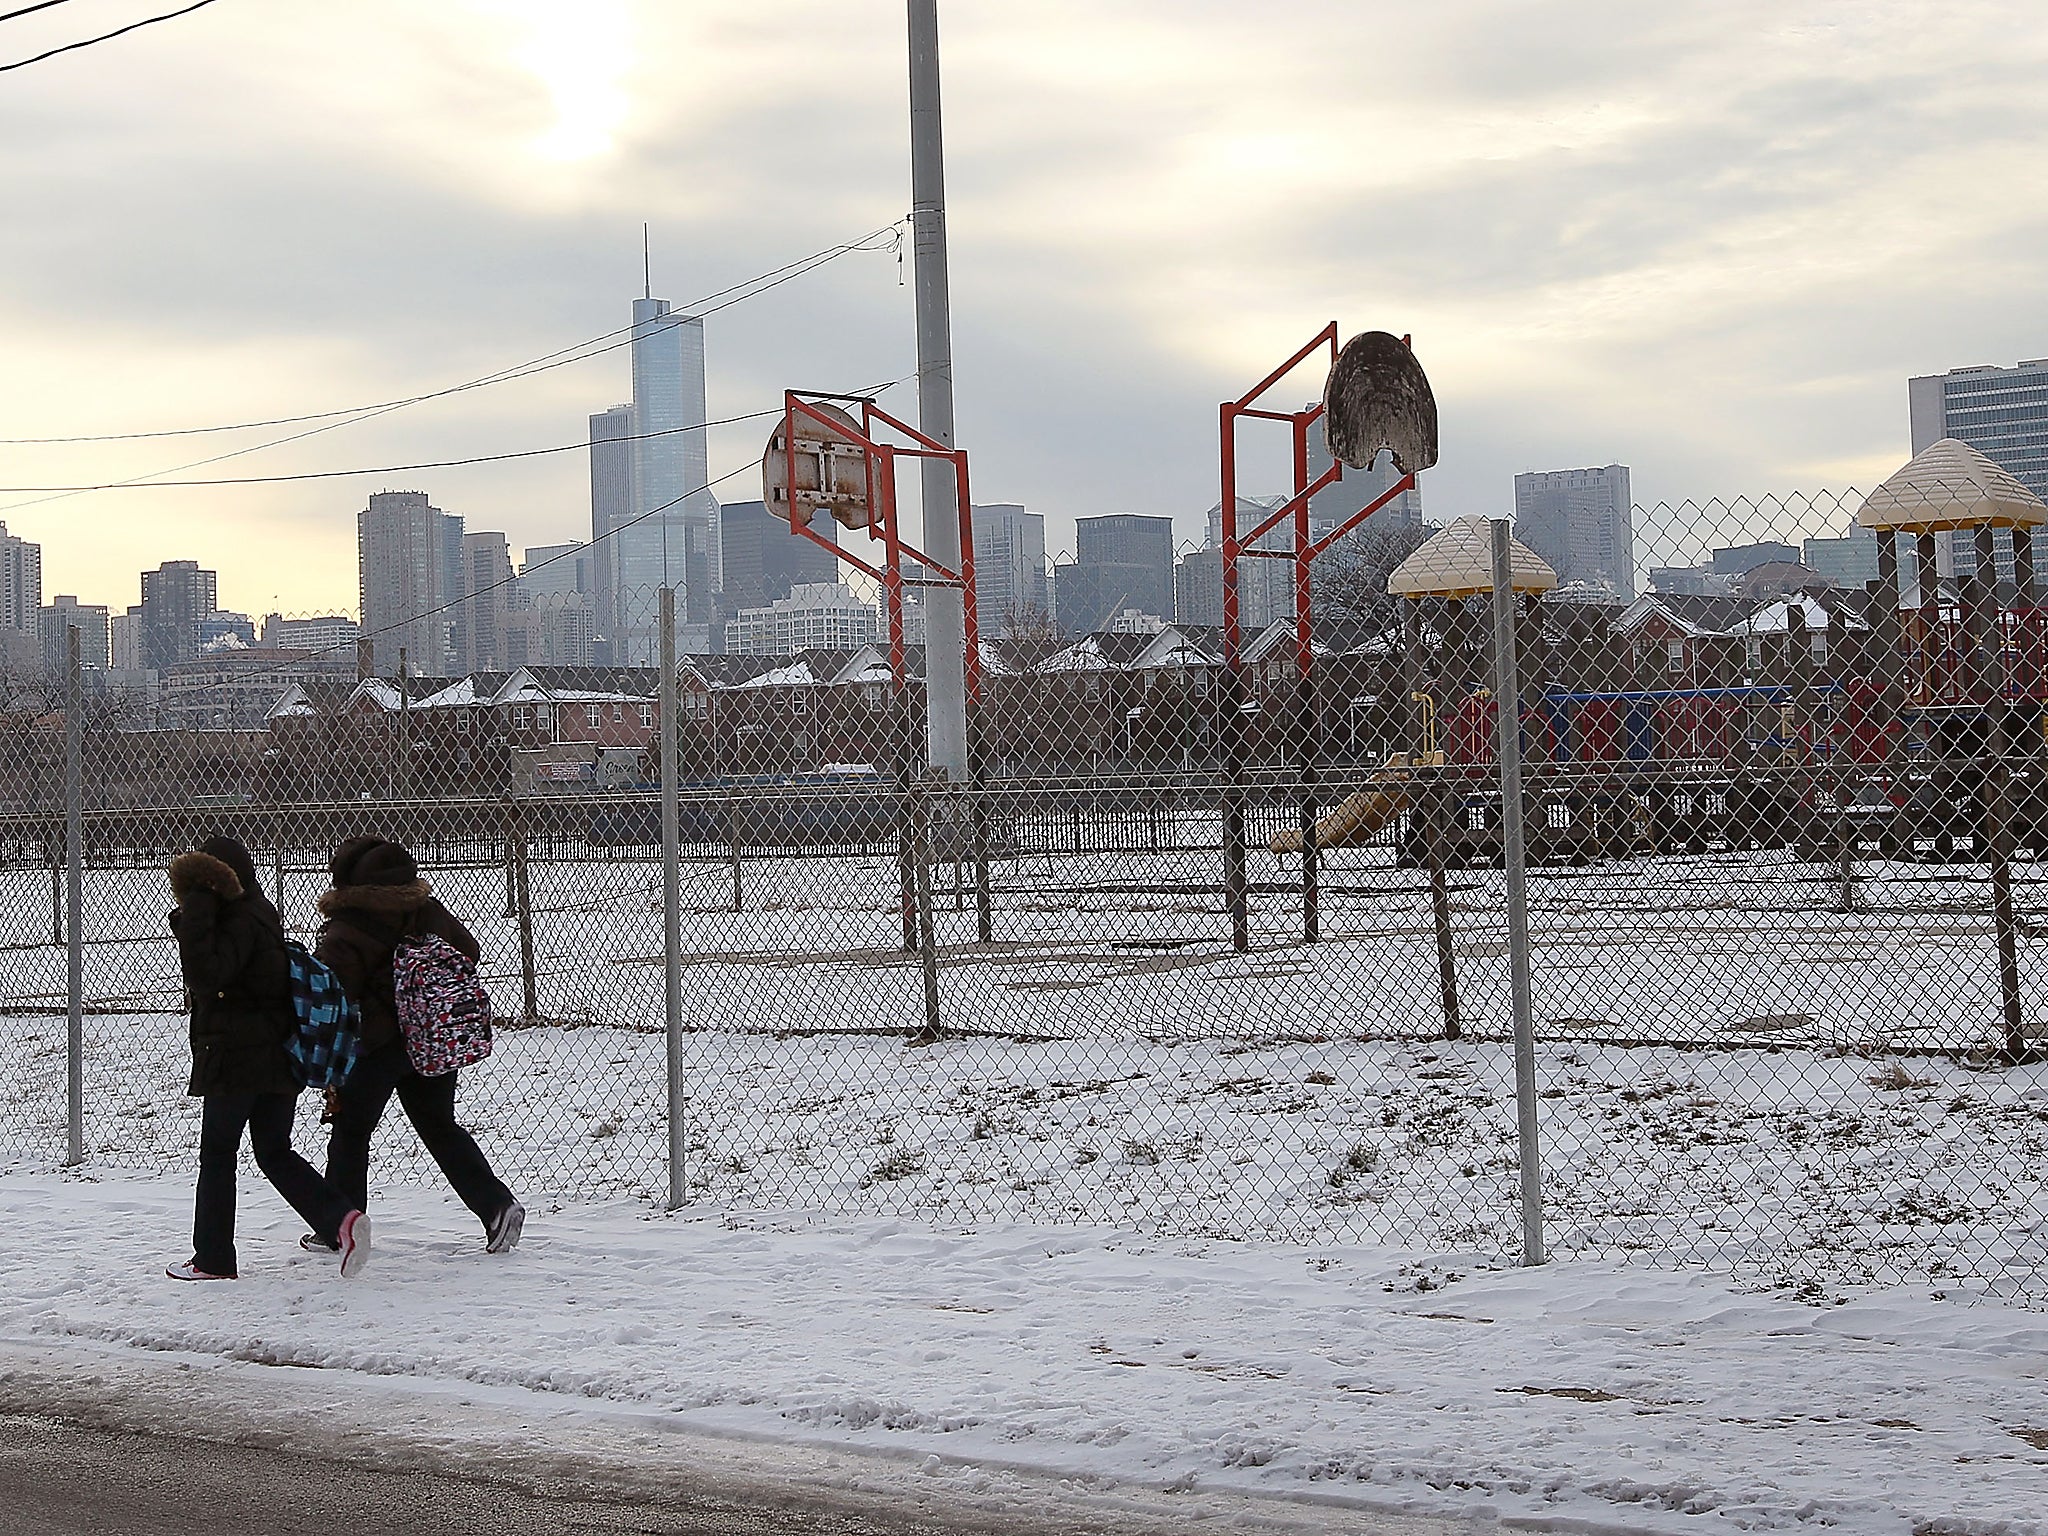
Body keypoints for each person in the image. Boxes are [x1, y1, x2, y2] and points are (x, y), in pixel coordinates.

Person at [167, 835, 369, 1281]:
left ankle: (213, 1258)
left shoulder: (233, 922)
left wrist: (195, 912)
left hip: (237, 1058)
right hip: (278, 1055)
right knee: (274, 1150)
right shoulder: (261, 914)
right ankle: (342, 1218)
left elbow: (206, 975)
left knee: (219, 1154)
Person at [314, 835, 524, 1253]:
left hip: (377, 1046)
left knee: (352, 1131)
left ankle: (339, 1224)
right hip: (431, 1036)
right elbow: (468, 950)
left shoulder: (345, 929)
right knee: (440, 1127)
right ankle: (497, 1206)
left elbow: (335, 991)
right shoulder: (425, 911)